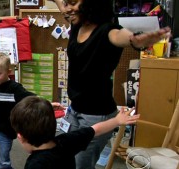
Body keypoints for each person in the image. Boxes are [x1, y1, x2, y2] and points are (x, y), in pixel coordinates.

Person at [49, 0, 171, 168]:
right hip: (75, 109)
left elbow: (122, 37)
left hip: (96, 115)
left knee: (81, 165)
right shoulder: (78, 23)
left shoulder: (107, 30)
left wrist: (136, 40)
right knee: (67, 156)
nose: (67, 9)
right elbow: (64, 7)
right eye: (67, 3)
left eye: (73, 3)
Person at [10, 96, 139, 169]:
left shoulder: (35, 164)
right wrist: (117, 120)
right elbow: (96, 129)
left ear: (20, 137)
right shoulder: (68, 141)